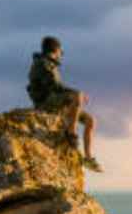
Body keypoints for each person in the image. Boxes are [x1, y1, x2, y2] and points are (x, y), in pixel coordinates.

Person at [27, 36, 103, 173]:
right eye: (61, 52)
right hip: (45, 102)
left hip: (56, 101)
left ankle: (88, 157)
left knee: (90, 120)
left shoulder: (49, 64)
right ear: (55, 50)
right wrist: (78, 94)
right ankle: (71, 132)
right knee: (77, 96)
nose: (61, 55)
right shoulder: (42, 64)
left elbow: (59, 89)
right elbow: (56, 87)